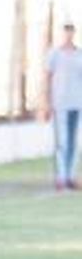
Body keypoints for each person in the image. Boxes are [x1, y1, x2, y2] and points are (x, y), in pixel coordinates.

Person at [44, 21, 82, 190]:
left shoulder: (79, 54)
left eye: (71, 31)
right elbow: (48, 77)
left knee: (74, 142)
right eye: (66, 31)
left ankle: (71, 177)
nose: (69, 34)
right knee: (62, 142)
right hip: (60, 103)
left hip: (77, 102)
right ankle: (61, 177)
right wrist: (46, 101)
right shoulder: (54, 54)